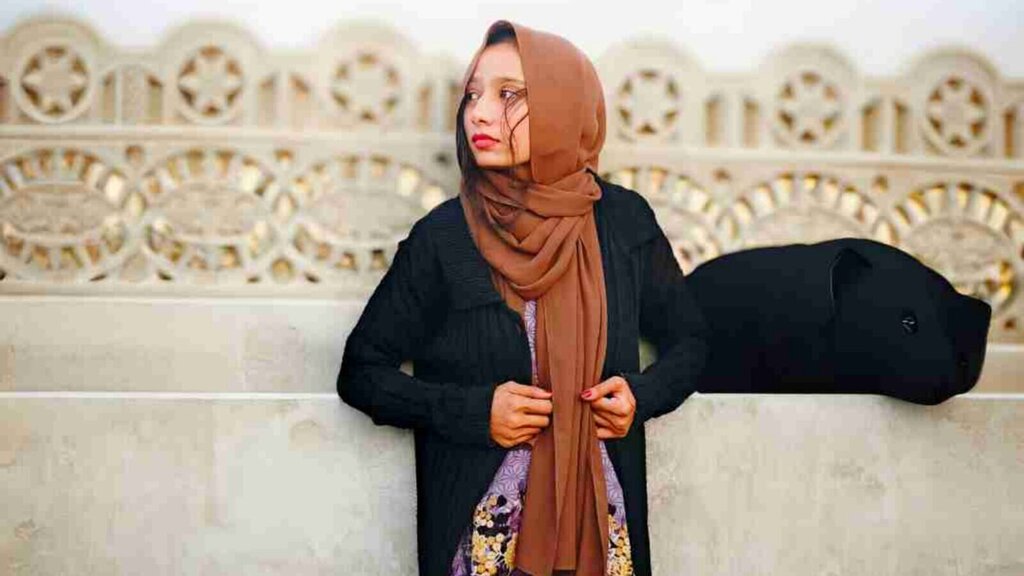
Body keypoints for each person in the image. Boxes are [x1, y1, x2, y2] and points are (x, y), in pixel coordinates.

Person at [337, 19, 709, 576]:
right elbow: (361, 372)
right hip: (481, 547)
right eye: (472, 95)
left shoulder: (624, 223)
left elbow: (691, 342)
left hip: (604, 536)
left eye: (509, 94)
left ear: (564, 104)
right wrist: (474, 411)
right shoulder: (444, 238)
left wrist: (642, 395)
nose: (479, 114)